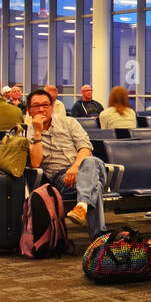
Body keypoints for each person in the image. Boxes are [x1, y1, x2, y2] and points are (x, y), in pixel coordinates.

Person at [26, 88, 109, 233]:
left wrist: (76, 167)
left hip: (82, 168)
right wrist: (37, 132)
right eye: (36, 106)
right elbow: (35, 163)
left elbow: (85, 148)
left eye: (45, 105)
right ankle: (98, 238)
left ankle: (82, 205)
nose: (41, 109)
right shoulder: (27, 132)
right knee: (95, 186)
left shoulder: (69, 123)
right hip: (62, 181)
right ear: (28, 110)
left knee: (91, 161)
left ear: (52, 107)